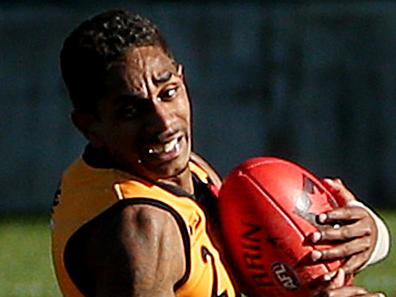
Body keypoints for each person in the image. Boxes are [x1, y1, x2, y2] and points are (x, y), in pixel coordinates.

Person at [51, 9, 389, 297]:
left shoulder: (183, 172)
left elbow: (260, 259)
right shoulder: (141, 231)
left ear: (182, 79)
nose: (163, 122)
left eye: (168, 92)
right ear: (90, 126)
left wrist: (367, 235)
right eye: (130, 111)